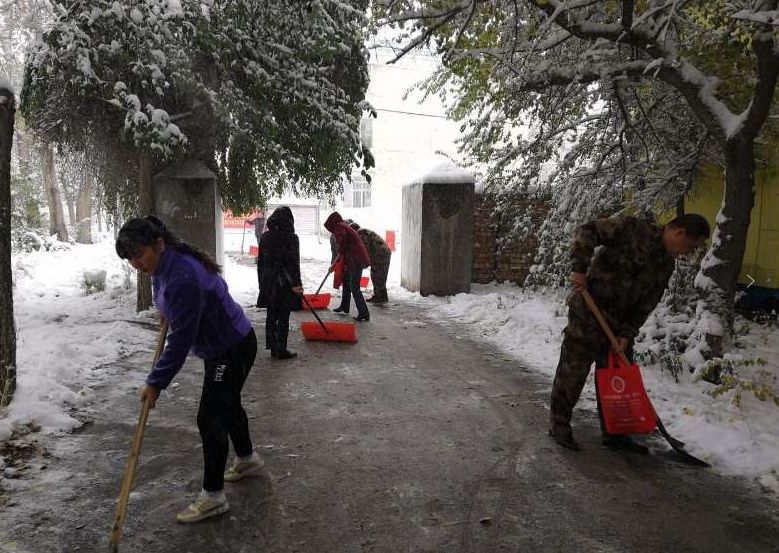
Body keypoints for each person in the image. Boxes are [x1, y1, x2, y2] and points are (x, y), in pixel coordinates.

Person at [115, 216, 263, 523]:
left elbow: (180, 342)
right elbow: (177, 305)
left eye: (139, 254)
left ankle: (213, 496)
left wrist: (156, 382)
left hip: (230, 348)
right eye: (130, 258)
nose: (136, 263)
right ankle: (247, 459)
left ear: (158, 244)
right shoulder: (165, 262)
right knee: (227, 402)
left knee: (210, 416)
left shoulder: (182, 274)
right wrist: (169, 310)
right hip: (226, 343)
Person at [549, 213, 710, 452]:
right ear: (679, 233)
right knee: (573, 371)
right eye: (689, 246)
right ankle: (559, 425)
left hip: (618, 328)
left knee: (616, 380)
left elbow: (647, 302)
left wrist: (627, 333)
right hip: (589, 313)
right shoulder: (632, 228)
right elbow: (588, 230)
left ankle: (615, 434)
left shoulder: (665, 264)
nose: (686, 252)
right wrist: (579, 268)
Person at [258, 207, 304, 359]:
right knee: (284, 315)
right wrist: (297, 284)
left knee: (271, 314)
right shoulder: (292, 238)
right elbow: (294, 263)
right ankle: (281, 349)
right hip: (285, 283)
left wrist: (261, 284)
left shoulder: (264, 237)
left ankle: (272, 347)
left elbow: (261, 263)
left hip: (269, 281)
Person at [324, 211, 371, 321]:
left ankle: (364, 313)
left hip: (356, 260)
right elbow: (343, 250)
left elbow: (341, 248)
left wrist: (334, 265)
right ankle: (345, 306)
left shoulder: (340, 228)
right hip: (352, 259)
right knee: (346, 280)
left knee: (354, 287)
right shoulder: (342, 226)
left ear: (332, 223)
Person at [348, 222, 392, 304]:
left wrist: (362, 262)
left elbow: (364, 249)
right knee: (375, 275)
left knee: (379, 276)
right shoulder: (362, 232)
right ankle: (378, 295)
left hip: (380, 254)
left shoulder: (361, 234)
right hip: (379, 254)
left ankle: (382, 297)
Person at [247, 212, 267, 308]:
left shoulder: (264, 221)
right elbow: (251, 223)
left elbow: (266, 228)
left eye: (260, 214)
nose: (259, 215)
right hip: (257, 235)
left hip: (262, 236)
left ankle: (260, 256)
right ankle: (259, 256)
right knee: (259, 246)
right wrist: (247, 220)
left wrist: (265, 232)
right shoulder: (257, 220)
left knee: (261, 247)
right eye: (258, 214)